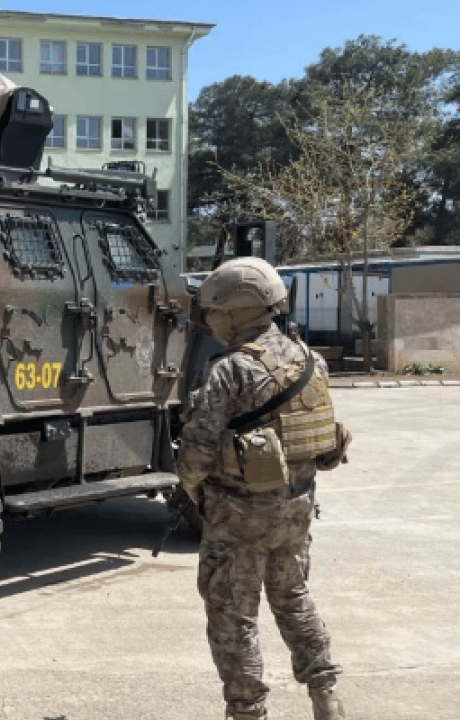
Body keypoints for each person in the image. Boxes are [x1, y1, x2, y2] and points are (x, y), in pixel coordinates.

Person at [176, 257, 352, 720]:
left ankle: (248, 711)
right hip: (297, 507)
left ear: (236, 311)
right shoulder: (311, 361)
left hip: (239, 513)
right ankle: (326, 697)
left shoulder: (229, 371)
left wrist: (195, 491)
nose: (210, 319)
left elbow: (194, 456)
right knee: (293, 597)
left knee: (233, 614)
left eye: (214, 310)